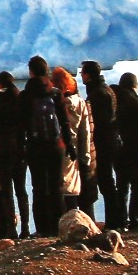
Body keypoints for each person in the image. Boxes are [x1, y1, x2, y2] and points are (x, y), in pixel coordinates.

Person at [22, 56, 71, 231]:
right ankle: (59, 226)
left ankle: (42, 228)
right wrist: (69, 145)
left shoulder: (25, 95)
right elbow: (64, 121)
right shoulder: (56, 92)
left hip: (35, 147)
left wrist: (22, 148)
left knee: (39, 188)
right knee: (57, 186)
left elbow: (22, 124)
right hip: (56, 146)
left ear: (31, 72)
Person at [0, 71, 28, 240]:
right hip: (20, 148)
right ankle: (25, 227)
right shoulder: (19, 98)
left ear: (0, 84)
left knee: (6, 190)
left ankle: (12, 229)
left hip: (3, 149)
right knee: (21, 190)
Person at [80, 61, 122, 227]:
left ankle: (114, 221)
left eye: (83, 73)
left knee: (106, 182)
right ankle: (116, 219)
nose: (81, 76)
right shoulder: (106, 90)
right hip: (111, 139)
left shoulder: (97, 94)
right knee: (108, 182)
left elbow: (99, 121)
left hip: (104, 142)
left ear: (88, 75)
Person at [113, 71, 138, 229]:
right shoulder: (133, 99)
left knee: (121, 186)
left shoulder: (113, 99)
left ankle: (121, 220)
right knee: (137, 186)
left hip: (118, 147)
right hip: (134, 146)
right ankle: (135, 220)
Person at [55, 67, 93, 219]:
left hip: (61, 146)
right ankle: (83, 220)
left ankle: (66, 220)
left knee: (63, 187)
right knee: (75, 186)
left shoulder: (58, 102)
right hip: (76, 147)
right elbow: (85, 132)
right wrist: (85, 157)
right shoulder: (80, 102)